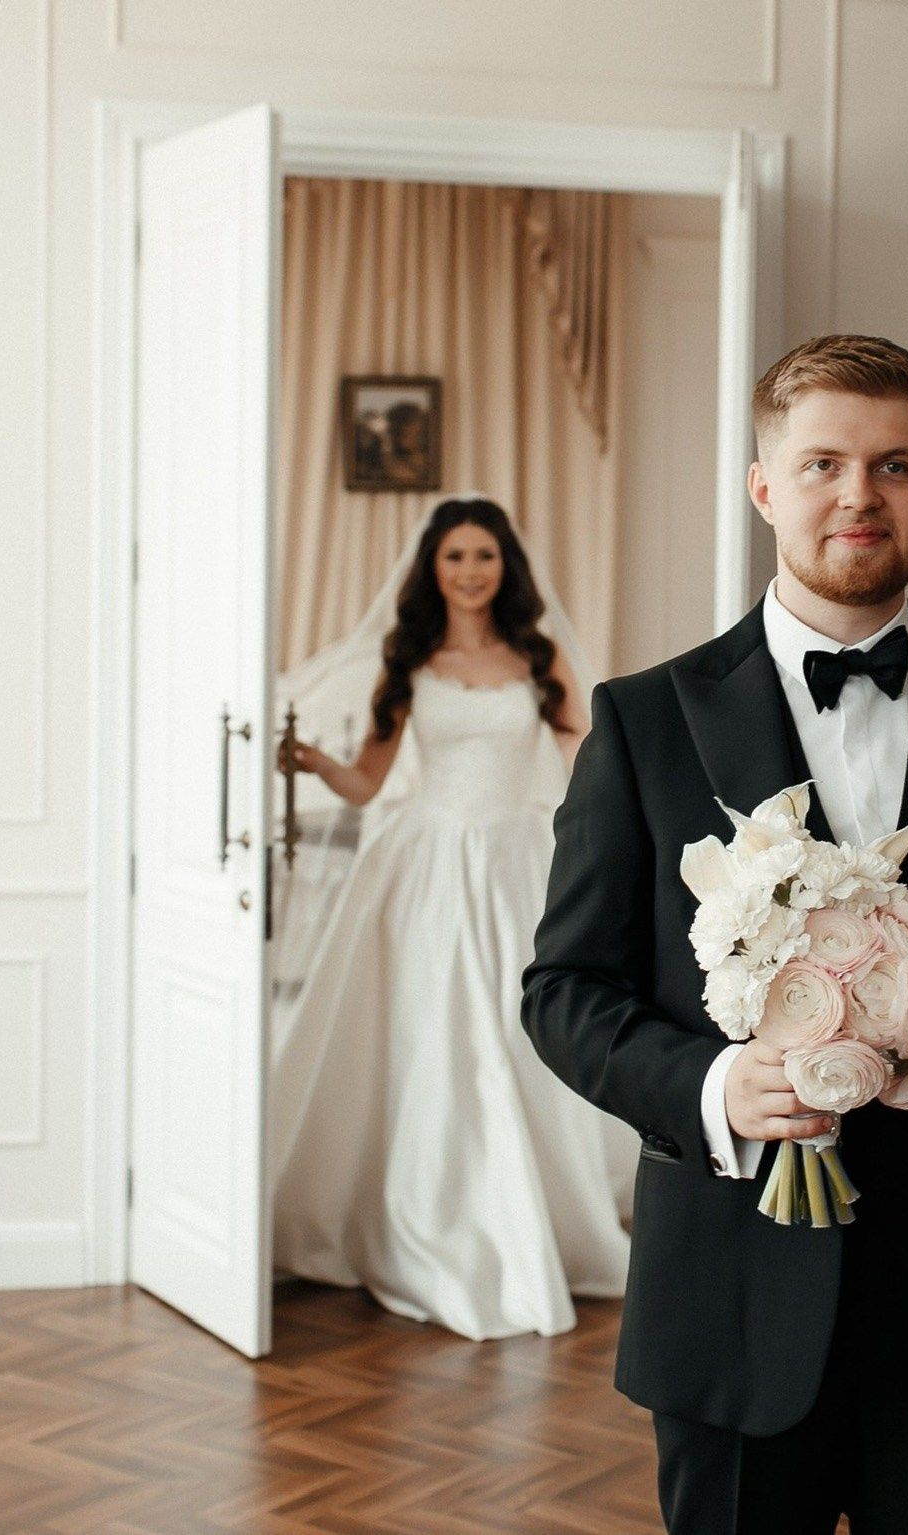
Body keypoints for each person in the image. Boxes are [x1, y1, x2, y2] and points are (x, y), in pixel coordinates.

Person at [523, 335, 908, 1533]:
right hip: (733, 1297)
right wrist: (711, 1085)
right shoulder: (643, 722)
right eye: (822, 464)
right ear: (765, 488)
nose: (859, 494)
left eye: (895, 464)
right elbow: (564, 988)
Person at [268, 494, 635, 1341]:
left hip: (516, 862)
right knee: (431, 1034)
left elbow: (585, 753)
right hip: (426, 864)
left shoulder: (536, 658)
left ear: (506, 567)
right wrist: (316, 761)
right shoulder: (408, 662)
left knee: (519, 1028)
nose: (470, 571)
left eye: (484, 555)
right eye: (454, 557)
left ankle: (533, 1209)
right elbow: (367, 782)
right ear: (431, 569)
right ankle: (429, 1213)